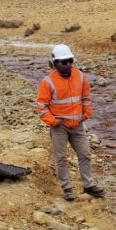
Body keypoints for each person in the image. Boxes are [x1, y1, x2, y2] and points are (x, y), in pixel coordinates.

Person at [36, 44, 104, 201]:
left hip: (77, 124)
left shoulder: (79, 76)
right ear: (54, 63)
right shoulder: (48, 82)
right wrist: (54, 121)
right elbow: (41, 107)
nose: (67, 64)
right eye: (63, 62)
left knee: (85, 154)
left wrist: (85, 114)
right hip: (59, 127)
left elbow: (86, 97)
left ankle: (88, 186)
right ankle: (67, 188)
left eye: (69, 61)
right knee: (61, 158)